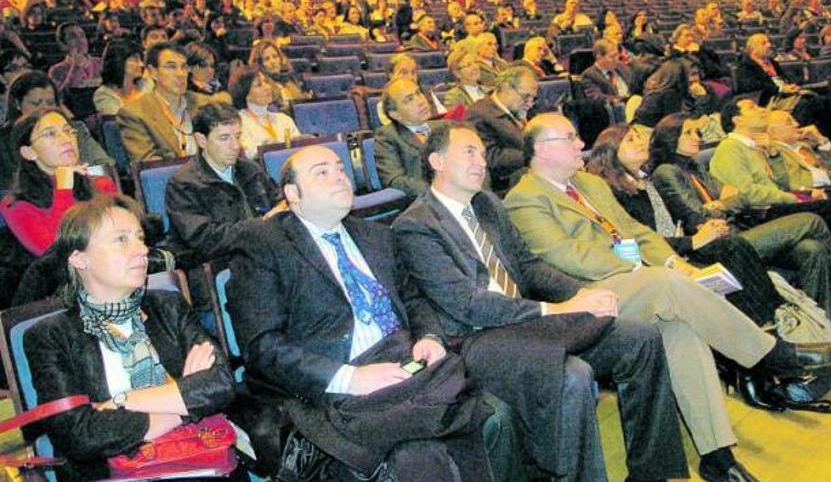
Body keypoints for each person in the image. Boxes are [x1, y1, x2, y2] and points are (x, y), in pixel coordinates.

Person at [501, 112, 831, 482]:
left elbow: (635, 231)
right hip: (587, 296)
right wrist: (644, 270)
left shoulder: (589, 184)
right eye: (570, 137)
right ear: (542, 149)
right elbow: (567, 256)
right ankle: (772, 355)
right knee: (666, 285)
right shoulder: (524, 199)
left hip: (638, 285)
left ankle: (717, 456)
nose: (580, 144)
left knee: (681, 329)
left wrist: (672, 260)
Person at [393, 120, 690, 482]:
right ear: (437, 161)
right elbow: (466, 304)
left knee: (639, 338)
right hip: (472, 339)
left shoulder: (487, 204)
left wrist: (578, 294)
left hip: (525, 323)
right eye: (469, 152)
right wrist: (557, 308)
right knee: (573, 376)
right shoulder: (416, 225)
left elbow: (529, 267)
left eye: (483, 154)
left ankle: (651, 473)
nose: (481, 162)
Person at [225, 144, 516, 482]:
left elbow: (413, 297)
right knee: (421, 458)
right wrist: (350, 377)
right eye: (322, 172)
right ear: (293, 193)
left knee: (497, 414)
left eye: (340, 168)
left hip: (405, 365)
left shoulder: (377, 235)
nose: (338, 176)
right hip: (335, 384)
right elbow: (262, 346)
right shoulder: (262, 244)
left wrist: (429, 336)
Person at [24, 194, 234, 481]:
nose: (141, 250)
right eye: (121, 240)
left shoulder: (167, 307)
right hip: (114, 474)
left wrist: (120, 401)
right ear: (79, 258)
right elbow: (78, 434)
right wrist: (183, 403)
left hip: (195, 459)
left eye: (140, 238)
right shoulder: (50, 336)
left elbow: (220, 383)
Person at [710, 99, 831, 333]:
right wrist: (796, 199)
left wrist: (773, 153)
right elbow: (751, 195)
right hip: (757, 216)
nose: (761, 109)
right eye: (751, 108)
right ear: (736, 120)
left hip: (774, 207)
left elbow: (783, 183)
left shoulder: (755, 145)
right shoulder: (729, 148)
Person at [650, 112, 831, 318]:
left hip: (736, 231)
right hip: (718, 245)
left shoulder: (695, 166)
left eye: (696, 131)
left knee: (813, 249)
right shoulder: (666, 172)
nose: (697, 137)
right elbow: (698, 217)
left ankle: (819, 323)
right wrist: (727, 202)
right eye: (688, 133)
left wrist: (723, 203)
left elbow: (740, 198)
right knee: (812, 221)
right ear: (671, 138)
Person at [166, 102, 278, 268]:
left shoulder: (251, 170)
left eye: (238, 136)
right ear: (201, 140)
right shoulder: (183, 184)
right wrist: (259, 227)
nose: (235, 146)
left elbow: (280, 203)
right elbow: (205, 240)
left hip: (266, 256)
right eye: (224, 138)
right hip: (219, 266)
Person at [1, 107, 118, 257]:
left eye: (69, 131)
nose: (66, 140)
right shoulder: (15, 204)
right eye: (50, 134)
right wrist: (63, 189)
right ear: (29, 152)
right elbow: (57, 253)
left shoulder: (101, 184)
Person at [1, 71, 112, 190]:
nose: (44, 108)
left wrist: (80, 172)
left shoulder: (76, 129)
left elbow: (104, 166)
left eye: (50, 103)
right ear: (17, 104)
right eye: (36, 103)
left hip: (83, 193)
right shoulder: (5, 140)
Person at [118, 42, 202, 162]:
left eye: (184, 67)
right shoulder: (134, 113)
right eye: (171, 67)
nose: (181, 74)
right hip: (171, 178)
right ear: (153, 72)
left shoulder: (200, 103)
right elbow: (150, 167)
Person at [467, 64, 535, 195]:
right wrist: (532, 155)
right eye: (526, 96)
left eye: (533, 98)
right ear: (507, 88)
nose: (530, 103)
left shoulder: (518, 110)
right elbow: (490, 157)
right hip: (508, 186)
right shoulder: (480, 114)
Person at [374, 78, 445, 199]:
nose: (421, 101)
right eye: (409, 100)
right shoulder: (388, 136)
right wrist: (439, 191)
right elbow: (394, 179)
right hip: (426, 202)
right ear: (395, 114)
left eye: (418, 93)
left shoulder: (445, 125)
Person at [228, 65, 301, 159]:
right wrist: (266, 147)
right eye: (259, 85)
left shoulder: (284, 119)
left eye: (266, 82)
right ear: (246, 94)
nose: (267, 87)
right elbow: (248, 155)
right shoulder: (239, 122)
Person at [579, 39, 638, 125]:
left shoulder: (622, 67)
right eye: (612, 56)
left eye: (617, 55)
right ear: (599, 57)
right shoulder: (589, 75)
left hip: (635, 108)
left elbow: (636, 86)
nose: (616, 59)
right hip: (615, 115)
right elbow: (597, 98)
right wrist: (623, 100)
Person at [247, 40, 312, 112]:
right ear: (259, 64)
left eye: (275, 56)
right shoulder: (261, 86)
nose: (273, 62)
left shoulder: (290, 78)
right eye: (266, 59)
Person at [93, 42, 146, 116]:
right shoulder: (103, 95)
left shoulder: (147, 86)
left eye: (141, 60)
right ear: (119, 61)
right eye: (135, 60)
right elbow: (121, 122)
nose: (141, 64)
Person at [48, 22, 103, 92]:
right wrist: (76, 68)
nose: (80, 40)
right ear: (63, 44)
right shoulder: (56, 71)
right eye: (72, 37)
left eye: (82, 35)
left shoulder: (100, 63)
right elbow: (60, 96)